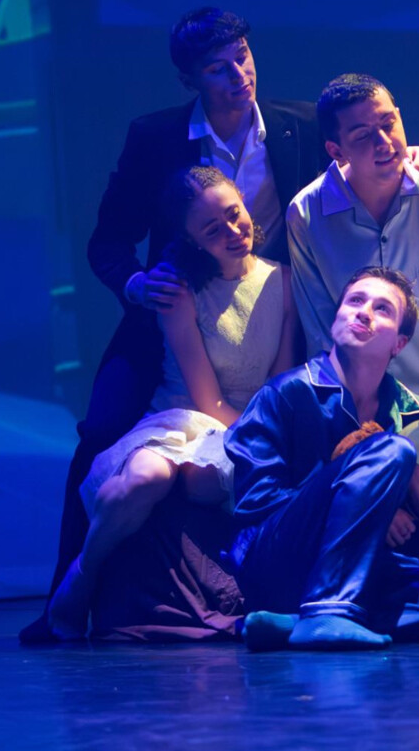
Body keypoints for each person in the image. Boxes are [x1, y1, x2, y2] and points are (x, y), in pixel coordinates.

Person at [24, 8, 419, 642]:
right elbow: (107, 242)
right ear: (189, 78)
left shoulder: (298, 124)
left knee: (317, 414)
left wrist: (414, 156)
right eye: (218, 69)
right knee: (103, 428)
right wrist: (137, 284)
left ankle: (321, 581)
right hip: (180, 302)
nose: (238, 75)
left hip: (270, 299)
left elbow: (362, 148)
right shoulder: (155, 138)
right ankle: (68, 591)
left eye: (243, 57)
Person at [47, 166, 294, 639]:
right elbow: (205, 399)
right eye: (212, 229)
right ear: (191, 240)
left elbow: (278, 384)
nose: (232, 231)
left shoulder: (282, 282)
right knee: (146, 478)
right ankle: (81, 576)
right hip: (185, 417)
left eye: (234, 214)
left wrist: (269, 434)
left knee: (205, 480)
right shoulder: (180, 290)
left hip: (249, 420)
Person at [226, 267, 419, 650]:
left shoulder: (411, 412)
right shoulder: (286, 392)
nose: (364, 312)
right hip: (274, 561)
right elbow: (255, 503)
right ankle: (326, 611)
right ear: (336, 318)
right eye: (355, 301)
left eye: (382, 309)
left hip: (355, 565)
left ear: (399, 344)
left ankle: (297, 621)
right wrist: (361, 506)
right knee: (393, 449)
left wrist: (376, 512)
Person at [287, 74, 419, 400]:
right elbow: (320, 331)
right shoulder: (307, 214)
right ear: (336, 150)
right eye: (363, 135)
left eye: (388, 124)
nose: (384, 143)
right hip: (354, 406)